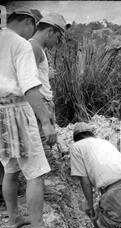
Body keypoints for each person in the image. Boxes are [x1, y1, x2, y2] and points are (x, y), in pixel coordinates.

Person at [0, 8, 66, 228]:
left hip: (1, 111)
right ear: (28, 22)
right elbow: (29, 87)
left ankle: (14, 217)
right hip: (18, 108)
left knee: (11, 167)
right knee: (36, 171)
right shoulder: (22, 45)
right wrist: (46, 122)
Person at [29, 13, 69, 157]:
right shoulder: (34, 48)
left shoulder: (38, 49)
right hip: (40, 105)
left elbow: (32, 77)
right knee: (43, 154)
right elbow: (27, 83)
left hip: (43, 104)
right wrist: (45, 119)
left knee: (46, 150)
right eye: (58, 37)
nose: (58, 42)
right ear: (50, 31)